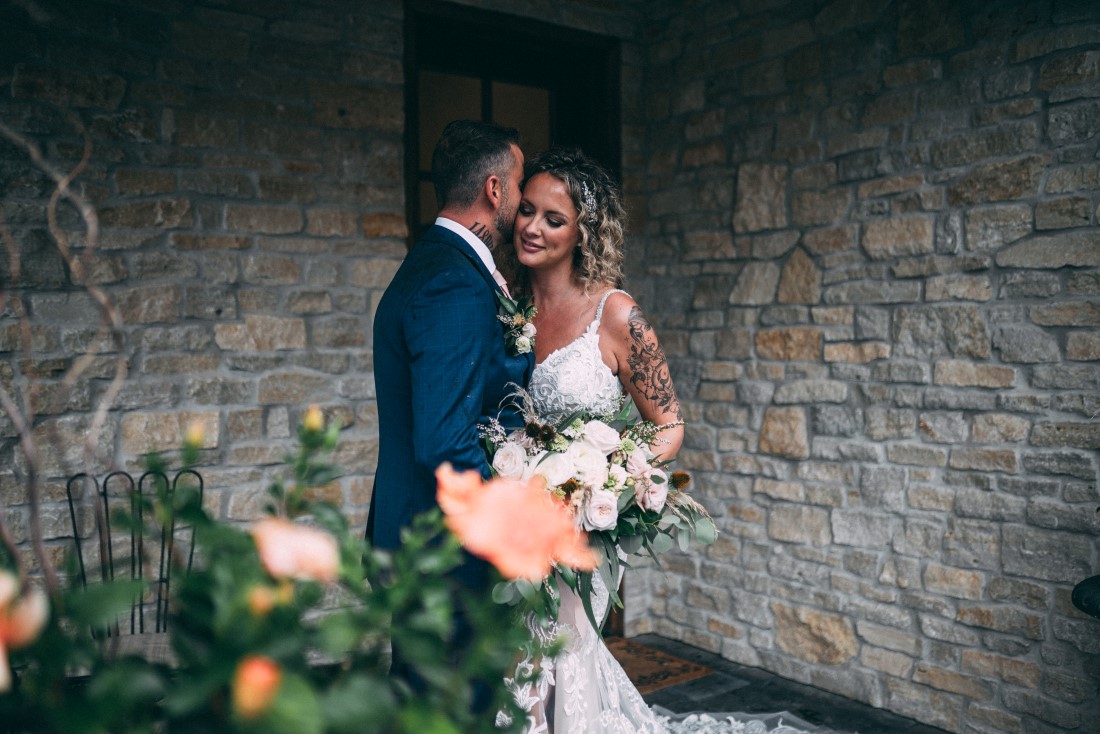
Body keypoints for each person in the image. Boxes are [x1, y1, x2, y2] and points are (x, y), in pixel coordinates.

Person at [498, 148, 817, 734]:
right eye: (527, 211)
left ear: (583, 234)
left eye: (553, 219)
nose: (532, 227)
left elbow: (669, 423)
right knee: (517, 658)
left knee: (557, 652)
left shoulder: (615, 314)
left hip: (580, 526)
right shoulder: (507, 305)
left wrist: (605, 478)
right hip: (514, 519)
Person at [368, 120, 535, 706]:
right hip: (445, 549)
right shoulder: (454, 284)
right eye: (519, 187)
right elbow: (443, 440)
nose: (523, 204)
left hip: (417, 536)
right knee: (454, 708)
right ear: (495, 190)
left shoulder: (429, 264)